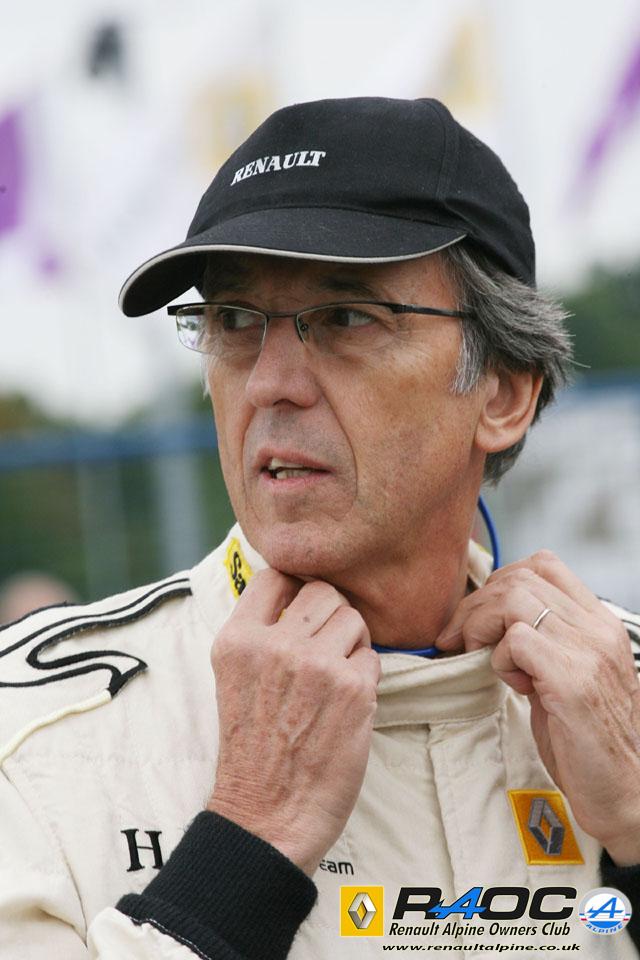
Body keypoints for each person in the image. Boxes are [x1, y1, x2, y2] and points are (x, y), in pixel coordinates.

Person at [1, 97, 639, 959]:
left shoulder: (621, 699)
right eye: (233, 320)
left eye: (345, 318)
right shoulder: (29, 733)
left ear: (503, 393)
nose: (272, 383)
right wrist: (248, 842)